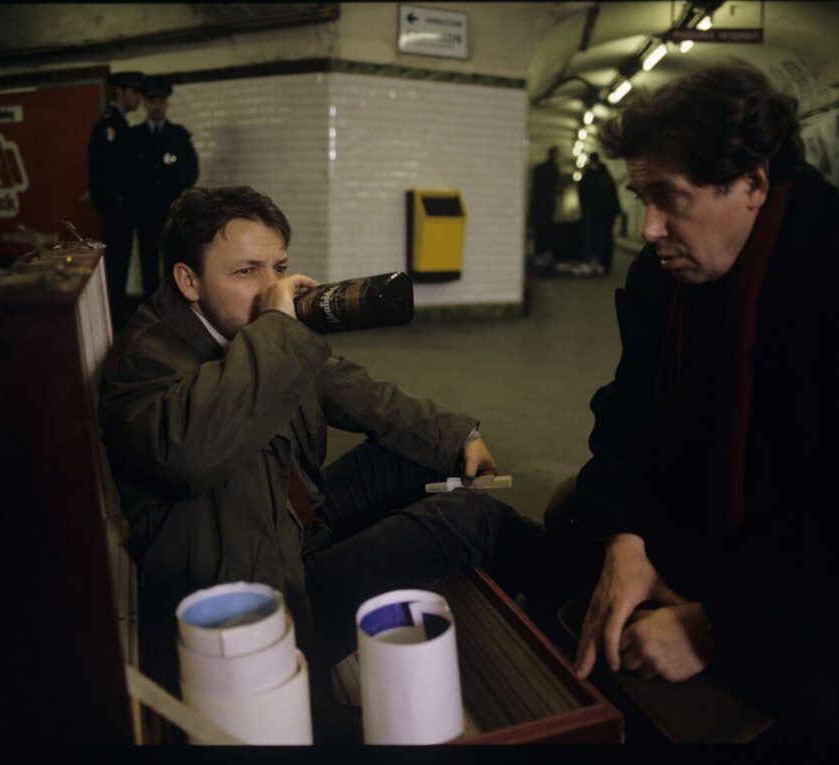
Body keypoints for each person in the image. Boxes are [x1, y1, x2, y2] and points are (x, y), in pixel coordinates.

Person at [546, 62, 839, 742]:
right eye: (640, 196)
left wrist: (716, 628)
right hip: (712, 526)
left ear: (754, 182)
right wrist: (626, 538)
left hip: (827, 578)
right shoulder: (663, 274)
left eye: (669, 197)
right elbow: (627, 411)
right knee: (569, 520)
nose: (647, 229)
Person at [97, 186, 547, 714]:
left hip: (294, 524)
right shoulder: (146, 361)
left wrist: (457, 436)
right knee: (473, 519)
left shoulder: (250, 329)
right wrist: (279, 330)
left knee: (423, 454)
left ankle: (544, 603)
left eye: (279, 266)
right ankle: (574, 601)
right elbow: (193, 451)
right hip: (273, 596)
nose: (272, 287)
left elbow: (346, 385)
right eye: (246, 271)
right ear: (187, 280)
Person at [127, 76, 199, 302]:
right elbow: (126, 174)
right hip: (144, 211)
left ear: (166, 103)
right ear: (146, 104)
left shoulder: (178, 135)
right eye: (152, 101)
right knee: (147, 261)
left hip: (171, 211)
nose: (157, 106)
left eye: (161, 101)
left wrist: (177, 198)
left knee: (171, 260)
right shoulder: (134, 136)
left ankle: (173, 307)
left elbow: (191, 171)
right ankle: (152, 308)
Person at [89, 70, 145, 331]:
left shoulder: (121, 124)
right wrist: (110, 203)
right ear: (119, 92)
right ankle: (112, 321)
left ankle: (115, 316)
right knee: (115, 267)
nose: (138, 98)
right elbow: (104, 170)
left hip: (125, 209)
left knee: (120, 266)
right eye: (134, 92)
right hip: (117, 210)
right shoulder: (110, 125)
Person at [577, 152, 621, 276]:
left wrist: (584, 208)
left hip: (591, 212)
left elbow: (582, 193)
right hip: (605, 214)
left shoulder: (588, 175)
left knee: (589, 237)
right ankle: (603, 264)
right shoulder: (606, 175)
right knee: (604, 238)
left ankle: (587, 262)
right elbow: (613, 195)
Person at [528, 146, 561, 271]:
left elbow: (534, 189)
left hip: (537, 206)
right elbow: (554, 191)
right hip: (547, 207)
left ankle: (538, 261)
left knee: (539, 235)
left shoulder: (538, 168)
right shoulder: (553, 169)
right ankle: (544, 263)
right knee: (547, 235)